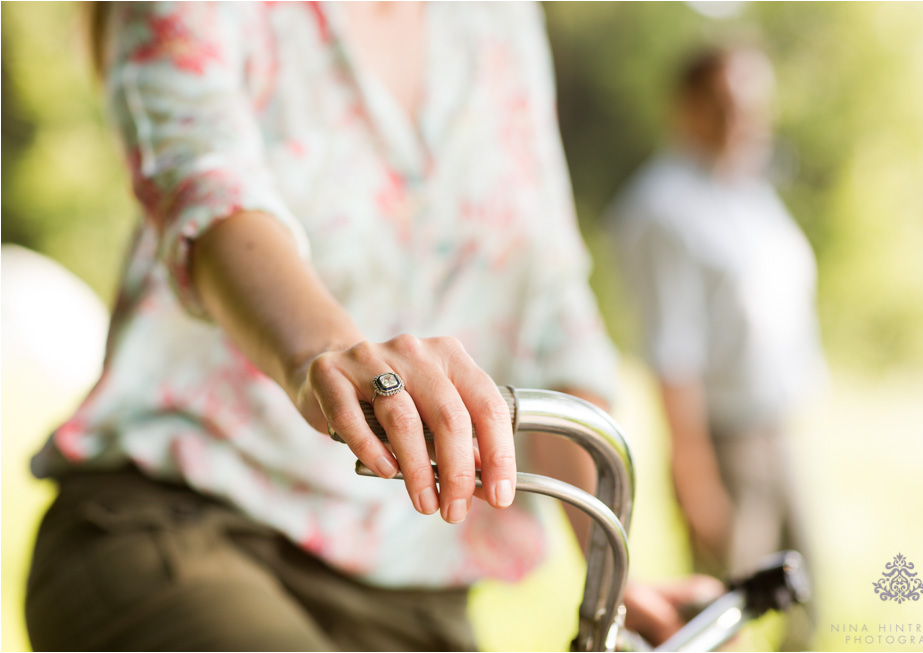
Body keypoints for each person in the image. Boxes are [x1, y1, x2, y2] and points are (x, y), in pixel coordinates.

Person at [25, 3, 717, 650]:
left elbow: (549, 306)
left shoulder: (498, 19)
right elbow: (210, 195)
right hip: (183, 522)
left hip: (415, 593)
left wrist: (616, 576)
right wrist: (327, 354)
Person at [607, 46, 827, 650]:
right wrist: (696, 475)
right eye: (726, 104)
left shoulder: (750, 191)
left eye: (753, 105)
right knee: (723, 624)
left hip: (777, 433)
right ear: (687, 108)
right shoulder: (662, 208)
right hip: (723, 443)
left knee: (806, 610)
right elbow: (671, 352)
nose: (743, 119)